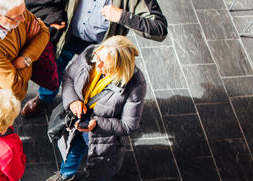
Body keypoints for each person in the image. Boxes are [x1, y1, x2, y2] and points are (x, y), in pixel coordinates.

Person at [42, 36, 146, 181]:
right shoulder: (92, 53)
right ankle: (66, 174)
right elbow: (68, 77)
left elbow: (129, 124)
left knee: (98, 169)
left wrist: (96, 124)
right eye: (98, 58)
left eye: (104, 64)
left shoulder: (135, 85)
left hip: (102, 138)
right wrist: (73, 100)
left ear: (120, 67)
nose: (96, 65)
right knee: (71, 153)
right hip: (76, 125)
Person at [20, 0, 166, 117]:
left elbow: (159, 28)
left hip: (99, 50)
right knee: (54, 68)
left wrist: (122, 16)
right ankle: (45, 98)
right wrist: (52, 14)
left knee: (88, 83)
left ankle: (80, 111)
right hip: (67, 36)